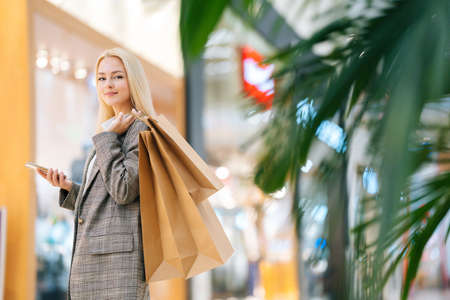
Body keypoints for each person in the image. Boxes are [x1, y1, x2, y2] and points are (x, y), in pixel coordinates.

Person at [36, 47, 156, 300]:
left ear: (132, 80)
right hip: (96, 264)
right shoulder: (110, 130)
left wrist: (107, 138)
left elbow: (124, 191)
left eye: (117, 76)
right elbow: (108, 198)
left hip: (117, 268)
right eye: (101, 78)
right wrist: (70, 188)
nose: (107, 84)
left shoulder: (139, 130)